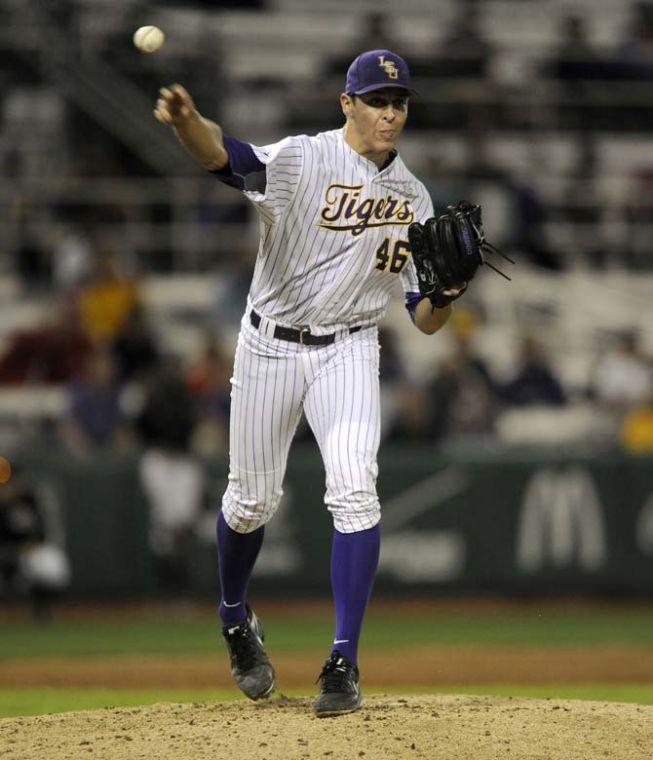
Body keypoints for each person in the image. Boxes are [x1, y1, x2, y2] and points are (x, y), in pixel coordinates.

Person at [154, 49, 466, 717]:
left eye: (399, 102)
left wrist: (448, 292)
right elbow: (221, 155)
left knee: (355, 489)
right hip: (269, 344)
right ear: (346, 103)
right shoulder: (302, 158)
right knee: (248, 504)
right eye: (376, 100)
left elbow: (424, 320)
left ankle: (343, 658)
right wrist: (186, 122)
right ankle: (235, 616)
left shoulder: (413, 196)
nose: (389, 112)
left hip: (349, 348)